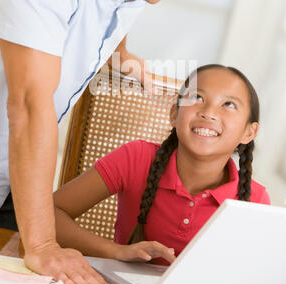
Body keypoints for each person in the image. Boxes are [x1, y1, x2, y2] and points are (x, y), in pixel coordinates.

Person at [0, 0, 254, 284]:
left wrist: (123, 58)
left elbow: (106, 15)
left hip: (8, 181)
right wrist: (41, 242)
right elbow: (28, 104)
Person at [53, 65, 270, 268]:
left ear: (248, 133)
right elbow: (48, 213)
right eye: (197, 97)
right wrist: (115, 251)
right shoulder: (136, 157)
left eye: (228, 104)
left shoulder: (256, 200)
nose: (209, 112)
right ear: (174, 114)